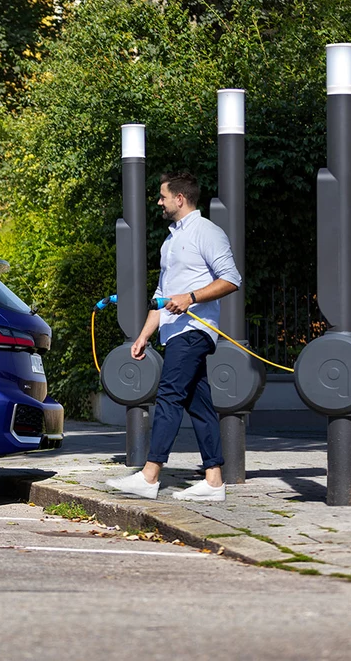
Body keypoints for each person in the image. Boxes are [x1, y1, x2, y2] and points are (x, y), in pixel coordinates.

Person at [106, 170, 241, 502]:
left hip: (195, 331)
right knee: (201, 406)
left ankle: (151, 475)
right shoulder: (171, 241)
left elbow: (232, 279)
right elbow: (162, 296)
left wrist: (191, 297)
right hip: (173, 333)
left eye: (163, 196)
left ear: (180, 198)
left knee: (168, 397)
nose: (159, 201)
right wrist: (143, 336)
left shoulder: (207, 232)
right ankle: (213, 481)